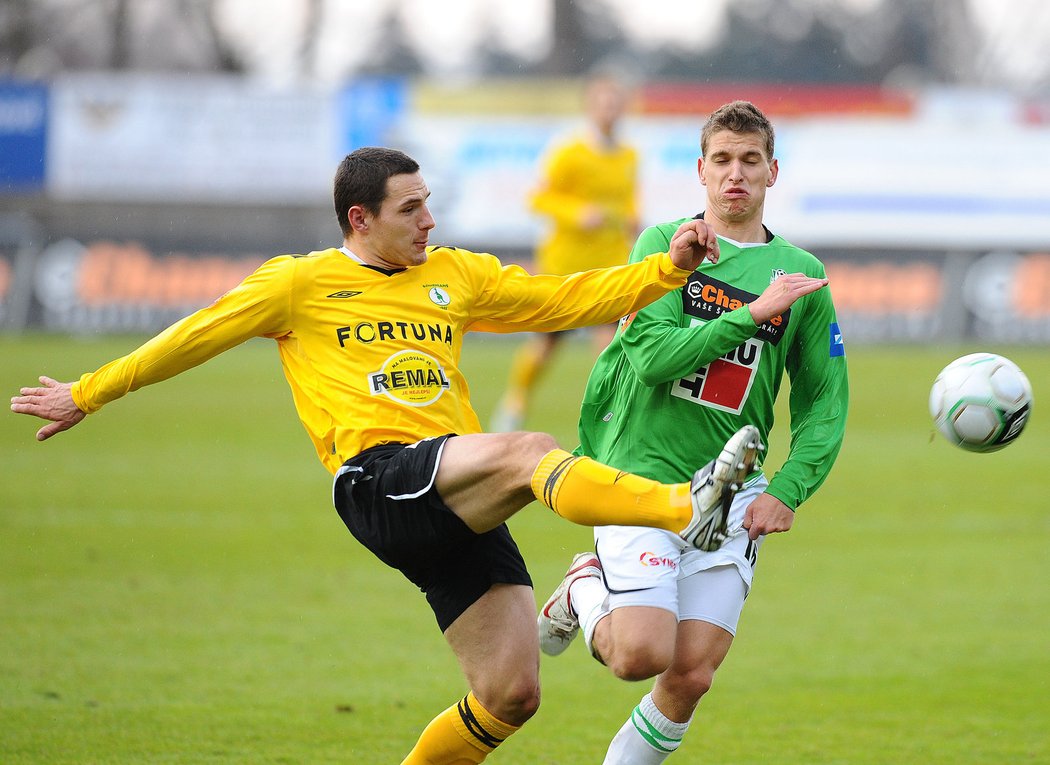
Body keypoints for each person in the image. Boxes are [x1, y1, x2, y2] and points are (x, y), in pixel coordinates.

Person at [11, 146, 759, 764]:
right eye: (411, 209)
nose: (429, 220)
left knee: (511, 693)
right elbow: (191, 336)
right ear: (360, 219)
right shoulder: (299, 283)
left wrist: (665, 269)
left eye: (429, 203)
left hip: (451, 490)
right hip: (378, 480)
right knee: (529, 451)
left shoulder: (454, 275)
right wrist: (89, 390)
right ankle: (683, 506)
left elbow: (563, 298)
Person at [537, 101, 849, 764]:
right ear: (701, 171)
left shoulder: (801, 274)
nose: (736, 174)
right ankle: (582, 587)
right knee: (639, 655)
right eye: (723, 161)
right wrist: (751, 314)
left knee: (690, 675)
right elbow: (653, 359)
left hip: (732, 488)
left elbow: (824, 401)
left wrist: (789, 489)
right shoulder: (663, 247)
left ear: (772, 171)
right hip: (640, 476)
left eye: (750, 161)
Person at [491, 72, 639, 432]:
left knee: (610, 347)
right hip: (566, 265)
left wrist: (634, 223)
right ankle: (515, 401)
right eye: (603, 104)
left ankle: (609, 414)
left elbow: (628, 200)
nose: (610, 111)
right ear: (590, 108)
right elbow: (538, 197)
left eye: (615, 104)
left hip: (609, 264)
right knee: (545, 345)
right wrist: (577, 213)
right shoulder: (569, 153)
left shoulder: (629, 155)